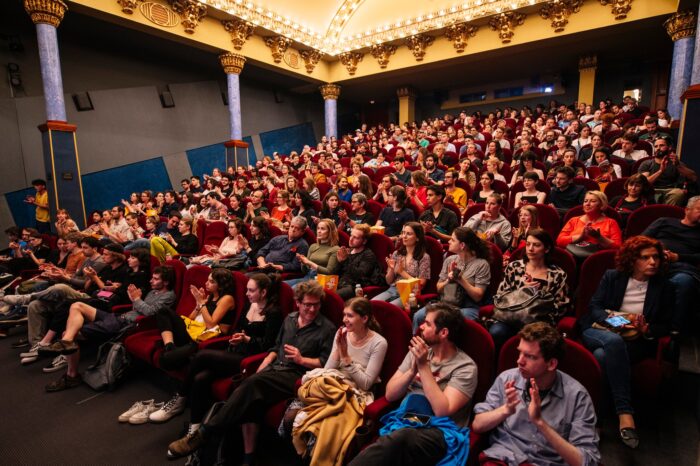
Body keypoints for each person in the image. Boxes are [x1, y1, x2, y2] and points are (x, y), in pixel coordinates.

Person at [166, 280, 336, 464]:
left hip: (298, 376)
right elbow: (276, 347)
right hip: (275, 369)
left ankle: (205, 433)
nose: (312, 309)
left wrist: (302, 359)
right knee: (251, 401)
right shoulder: (291, 319)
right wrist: (265, 362)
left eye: (316, 305)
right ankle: (248, 459)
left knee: (251, 385)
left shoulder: (327, 329)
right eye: (307, 305)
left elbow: (327, 364)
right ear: (298, 303)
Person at [137, 273, 282, 430]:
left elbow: (268, 345)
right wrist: (237, 336)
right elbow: (239, 328)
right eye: (247, 290)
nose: (247, 294)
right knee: (200, 378)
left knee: (201, 356)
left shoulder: (274, 313)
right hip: (233, 349)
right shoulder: (249, 304)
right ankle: (195, 427)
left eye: (251, 290)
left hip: (248, 358)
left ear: (264, 292)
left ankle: (180, 398)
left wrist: (246, 339)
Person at [347, 303, 477, 466]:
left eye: (428, 324)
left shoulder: (465, 367)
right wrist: (410, 373)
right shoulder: (418, 351)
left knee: (401, 438)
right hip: (407, 418)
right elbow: (390, 394)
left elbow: (442, 411)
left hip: (439, 431)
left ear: (443, 333)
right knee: (396, 440)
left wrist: (423, 368)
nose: (421, 326)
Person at [579, 236, 675, 449]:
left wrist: (647, 330)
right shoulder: (613, 277)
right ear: (632, 260)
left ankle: (597, 419)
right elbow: (594, 307)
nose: (653, 262)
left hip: (635, 341)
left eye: (656, 257)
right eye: (646, 258)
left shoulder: (664, 287)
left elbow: (666, 324)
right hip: (600, 330)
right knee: (612, 342)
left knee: (602, 357)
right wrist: (616, 320)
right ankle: (625, 412)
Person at [472, 322, 600, 466]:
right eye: (520, 352)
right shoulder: (506, 378)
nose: (519, 361)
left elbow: (586, 461)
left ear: (551, 364)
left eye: (530, 356)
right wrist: (506, 410)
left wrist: (540, 422)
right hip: (504, 457)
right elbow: (478, 425)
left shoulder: (577, 396)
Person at [39, 266, 177, 392]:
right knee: (77, 305)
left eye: (156, 279)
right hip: (118, 317)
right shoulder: (153, 292)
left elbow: (150, 313)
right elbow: (138, 309)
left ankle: (71, 375)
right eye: (152, 277)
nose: (151, 281)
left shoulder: (169, 296)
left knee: (69, 333)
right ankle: (67, 341)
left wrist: (136, 299)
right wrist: (134, 300)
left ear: (165, 282)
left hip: (124, 323)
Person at [289, 297, 388, 463]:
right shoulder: (342, 333)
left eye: (350, 316)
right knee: (290, 417)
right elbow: (327, 371)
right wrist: (337, 352)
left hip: (354, 393)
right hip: (331, 387)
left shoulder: (379, 343)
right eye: (344, 315)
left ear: (364, 319)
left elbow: (365, 384)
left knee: (323, 429)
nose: (344, 320)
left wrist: (346, 358)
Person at [490, 229, 570, 349]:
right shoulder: (514, 267)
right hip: (511, 316)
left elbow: (562, 306)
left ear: (547, 249)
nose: (530, 248)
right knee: (497, 332)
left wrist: (538, 295)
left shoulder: (557, 274)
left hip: (539, 321)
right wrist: (522, 290)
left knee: (537, 340)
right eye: (528, 244)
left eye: (536, 245)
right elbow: (501, 295)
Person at [412, 227, 490, 330]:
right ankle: (419, 345)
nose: (449, 241)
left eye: (452, 240)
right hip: (446, 303)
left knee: (449, 320)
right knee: (418, 316)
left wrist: (460, 280)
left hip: (468, 306)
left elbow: (478, 296)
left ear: (462, 245)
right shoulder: (449, 260)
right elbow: (438, 288)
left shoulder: (481, 264)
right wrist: (448, 280)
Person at [642, 195, 700, 331]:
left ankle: (674, 330)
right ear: (687, 210)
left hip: (682, 267)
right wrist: (657, 252)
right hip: (652, 260)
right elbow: (640, 239)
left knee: (684, 281)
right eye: (699, 209)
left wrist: (678, 257)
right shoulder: (664, 222)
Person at [372, 222, 431, 308]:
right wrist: (391, 269)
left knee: (391, 308)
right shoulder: (397, 253)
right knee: (371, 304)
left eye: (409, 234)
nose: (404, 236)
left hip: (410, 293)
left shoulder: (424, 257)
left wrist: (402, 272)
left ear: (417, 238)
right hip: (393, 289)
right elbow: (388, 281)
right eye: (403, 233)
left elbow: (420, 284)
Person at [556, 191, 622, 260]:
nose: (587, 204)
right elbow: (559, 241)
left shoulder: (611, 222)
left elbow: (618, 247)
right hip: (573, 258)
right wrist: (580, 236)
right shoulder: (574, 220)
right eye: (585, 201)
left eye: (593, 201)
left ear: (602, 205)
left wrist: (599, 237)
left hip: (599, 260)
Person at [638, 137, 697, 206]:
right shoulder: (646, 163)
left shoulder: (676, 163)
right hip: (652, 190)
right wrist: (660, 171)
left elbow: (693, 177)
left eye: (661, 145)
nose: (658, 148)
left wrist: (678, 165)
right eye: (656, 146)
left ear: (669, 148)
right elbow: (643, 182)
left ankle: (665, 211)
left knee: (679, 193)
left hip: (671, 190)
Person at [335, 224, 385, 300]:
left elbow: (359, 275)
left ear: (364, 241)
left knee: (330, 297)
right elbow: (336, 273)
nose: (351, 239)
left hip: (354, 287)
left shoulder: (368, 255)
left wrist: (345, 260)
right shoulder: (348, 251)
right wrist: (339, 262)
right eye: (351, 235)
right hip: (339, 283)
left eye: (356, 238)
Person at [288, 219, 339, 287]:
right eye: (318, 228)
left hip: (321, 281)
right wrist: (303, 263)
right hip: (308, 277)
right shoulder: (313, 246)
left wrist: (309, 263)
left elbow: (329, 272)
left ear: (330, 232)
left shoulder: (335, 249)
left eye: (322, 229)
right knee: (283, 285)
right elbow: (305, 271)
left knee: (294, 288)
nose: (319, 231)